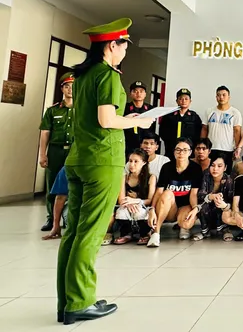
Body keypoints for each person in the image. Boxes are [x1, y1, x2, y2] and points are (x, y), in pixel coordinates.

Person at [58, 18, 154, 324]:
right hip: (102, 161)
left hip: (78, 159)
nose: (125, 50)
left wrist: (128, 118)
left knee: (74, 232)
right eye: (124, 45)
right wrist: (140, 121)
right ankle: (80, 302)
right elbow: (107, 120)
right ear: (113, 45)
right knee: (91, 232)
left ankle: (68, 301)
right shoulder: (108, 75)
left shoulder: (82, 75)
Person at [147, 138, 203, 247]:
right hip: (169, 207)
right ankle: (156, 232)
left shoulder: (195, 168)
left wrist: (195, 209)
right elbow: (159, 191)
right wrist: (152, 209)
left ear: (190, 152)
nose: (181, 153)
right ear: (174, 152)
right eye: (178, 149)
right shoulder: (167, 167)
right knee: (168, 193)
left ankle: (182, 226)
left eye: (185, 150)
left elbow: (193, 194)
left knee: (186, 224)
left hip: (185, 206)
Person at [38, 72, 75, 232]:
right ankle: (51, 219)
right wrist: (42, 154)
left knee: (73, 185)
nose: (70, 89)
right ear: (62, 89)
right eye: (67, 86)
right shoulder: (52, 110)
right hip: (55, 151)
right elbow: (45, 133)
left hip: (74, 151)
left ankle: (69, 217)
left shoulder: (82, 110)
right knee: (53, 185)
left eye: (73, 86)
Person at [113, 149, 157, 245]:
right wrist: (128, 204)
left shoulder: (151, 178)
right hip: (127, 204)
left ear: (144, 162)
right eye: (130, 161)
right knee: (121, 211)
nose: (132, 164)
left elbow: (150, 200)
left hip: (143, 206)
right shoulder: (125, 177)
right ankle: (126, 234)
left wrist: (136, 201)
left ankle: (144, 233)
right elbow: (121, 199)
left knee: (139, 212)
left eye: (136, 161)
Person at [201, 85, 242, 173]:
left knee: (225, 174)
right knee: (210, 173)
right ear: (216, 97)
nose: (221, 97)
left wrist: (237, 148)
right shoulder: (209, 111)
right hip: (211, 148)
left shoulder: (235, 113)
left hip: (227, 149)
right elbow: (204, 128)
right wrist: (203, 146)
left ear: (229, 97)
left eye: (224, 95)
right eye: (219, 95)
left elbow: (237, 131)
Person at [197, 152, 236, 241]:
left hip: (223, 207)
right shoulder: (205, 175)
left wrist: (224, 205)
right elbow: (200, 194)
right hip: (207, 206)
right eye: (212, 165)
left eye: (219, 166)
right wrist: (211, 196)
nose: (215, 169)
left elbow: (232, 201)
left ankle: (225, 229)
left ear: (225, 168)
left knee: (221, 206)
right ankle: (205, 231)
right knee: (203, 206)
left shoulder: (229, 180)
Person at [159, 88, 202, 156]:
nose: (183, 101)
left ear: (190, 101)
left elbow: (198, 133)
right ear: (177, 101)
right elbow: (162, 132)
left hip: (188, 150)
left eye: (186, 99)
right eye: (181, 99)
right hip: (171, 149)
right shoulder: (169, 116)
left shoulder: (194, 117)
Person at [123, 81, 156, 157]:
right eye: (135, 91)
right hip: (128, 143)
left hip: (145, 145)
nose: (138, 94)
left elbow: (152, 129)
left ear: (145, 94)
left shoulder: (150, 109)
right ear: (130, 93)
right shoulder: (125, 108)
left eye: (141, 91)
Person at [42, 167, 69, 241]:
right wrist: (56, 225)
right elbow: (60, 197)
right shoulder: (67, 169)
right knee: (70, 216)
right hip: (74, 205)